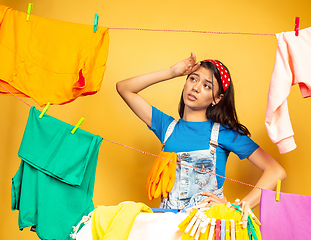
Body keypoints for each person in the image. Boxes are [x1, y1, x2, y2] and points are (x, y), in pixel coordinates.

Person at [116, 53, 286, 209]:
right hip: (168, 228)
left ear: (217, 99)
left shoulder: (223, 134)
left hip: (207, 230)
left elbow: (276, 171)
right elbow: (124, 88)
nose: (196, 88)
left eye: (207, 86)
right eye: (193, 79)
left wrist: (239, 208)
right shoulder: (167, 127)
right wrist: (172, 72)